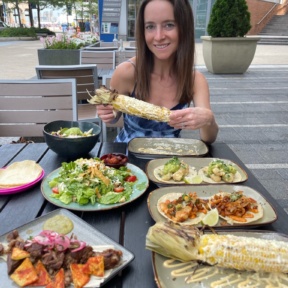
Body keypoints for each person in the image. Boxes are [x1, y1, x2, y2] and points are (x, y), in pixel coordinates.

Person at [97, 0, 218, 144]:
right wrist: (108, 112)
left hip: (170, 160)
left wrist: (208, 120)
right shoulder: (125, 72)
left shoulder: (195, 80)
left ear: (184, 28)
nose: (159, 36)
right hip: (126, 159)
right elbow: (113, 115)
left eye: (169, 25)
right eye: (150, 26)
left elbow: (209, 138)